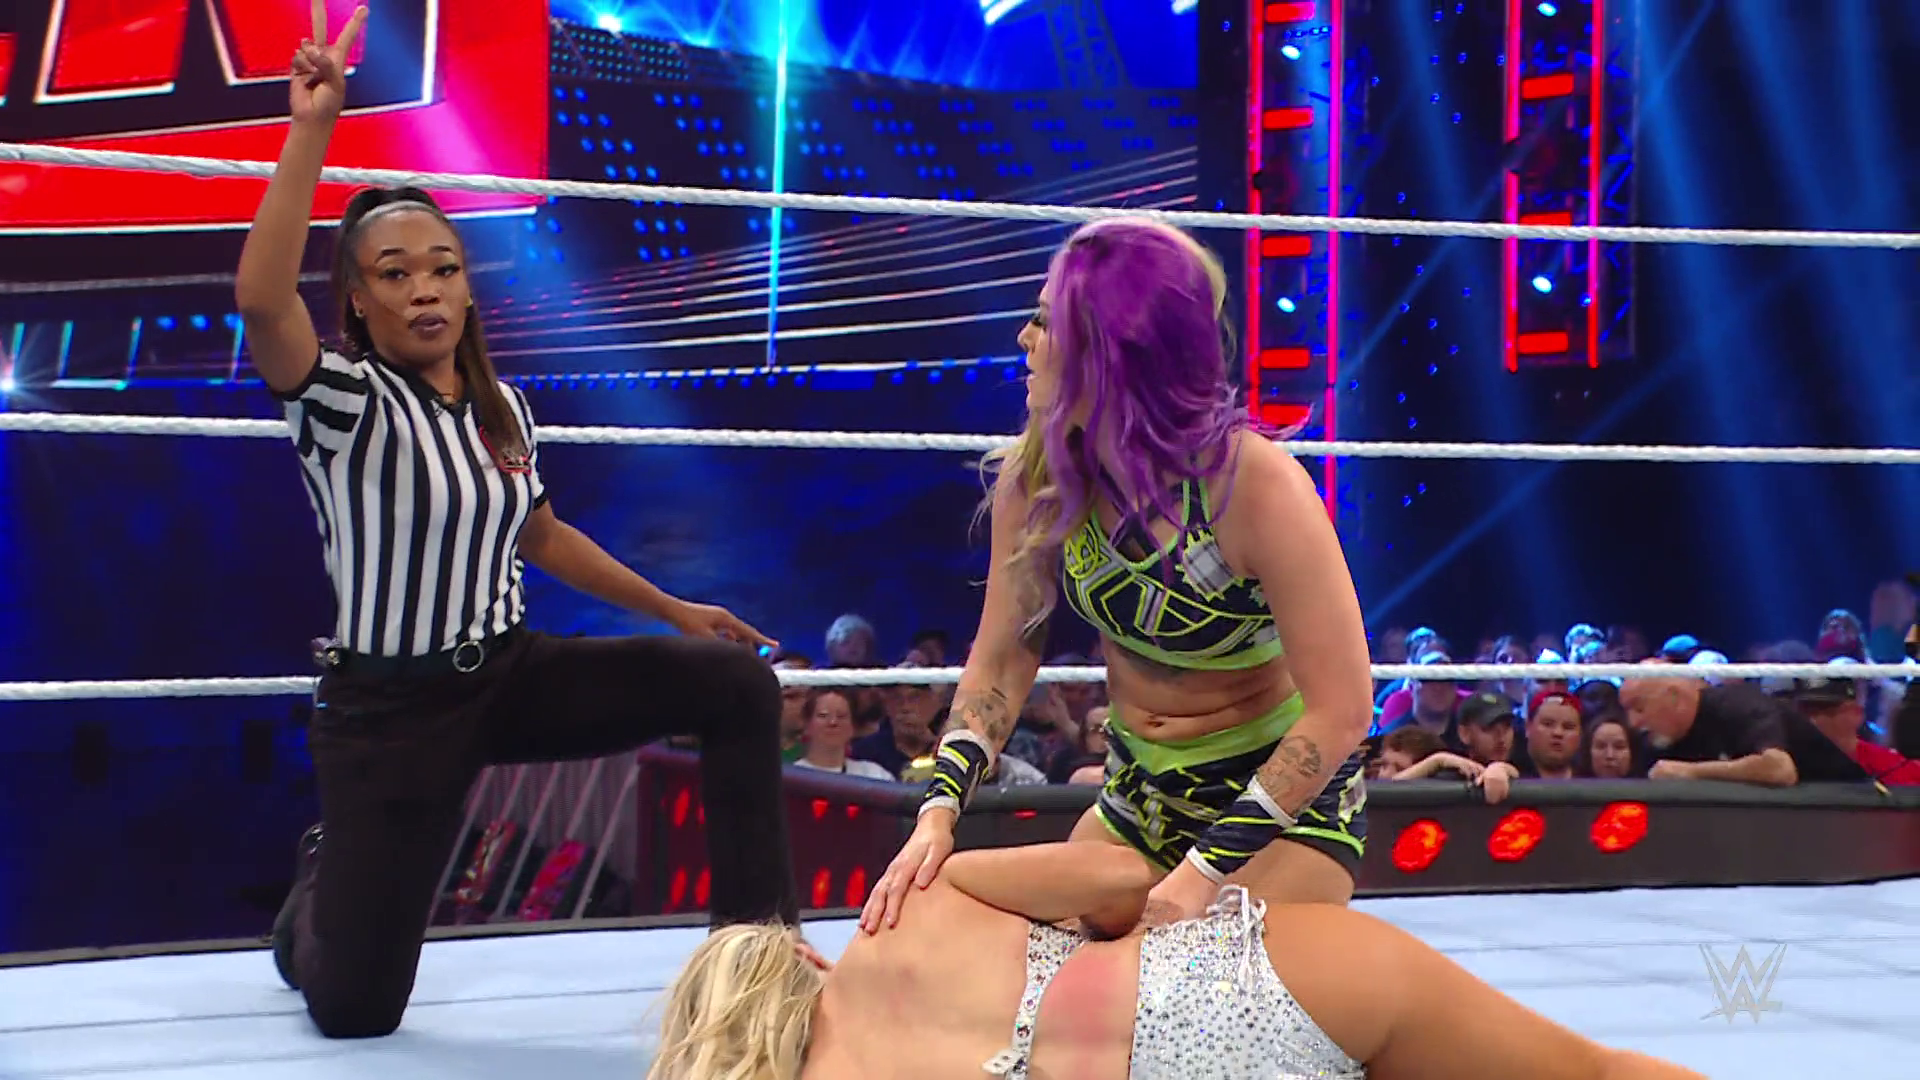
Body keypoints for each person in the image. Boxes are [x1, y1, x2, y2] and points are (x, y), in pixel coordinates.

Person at [242, 11, 797, 1038]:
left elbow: (540, 534)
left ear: (468, 284)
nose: (424, 289)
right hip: (393, 711)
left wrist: (676, 609)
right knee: (356, 1011)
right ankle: (318, 892)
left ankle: (754, 961)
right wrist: (312, 130)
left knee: (732, 683)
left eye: (442, 267)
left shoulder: (502, 408)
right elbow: (264, 302)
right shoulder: (344, 400)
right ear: (358, 301)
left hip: (509, 673)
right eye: (395, 273)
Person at [862, 218, 1375, 933]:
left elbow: (1343, 709)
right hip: (1138, 802)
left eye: (1046, 321)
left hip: (1278, 812)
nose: (1024, 338)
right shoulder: (1040, 478)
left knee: (1158, 981)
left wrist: (1199, 875)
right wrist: (938, 813)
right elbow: (1003, 658)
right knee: (957, 936)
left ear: (1106, 350)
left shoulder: (1256, 487)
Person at [648, 842, 1705, 1080]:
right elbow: (1122, 878)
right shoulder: (910, 907)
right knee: (1591, 1074)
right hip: (1203, 992)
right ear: (804, 956)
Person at [1619, 661, 1867, 786]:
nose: (1633, 722)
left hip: (1848, 809)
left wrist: (1691, 772)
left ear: (1674, 698)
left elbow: (1780, 769)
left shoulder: (1738, 705)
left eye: (1639, 708)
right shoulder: (1657, 740)